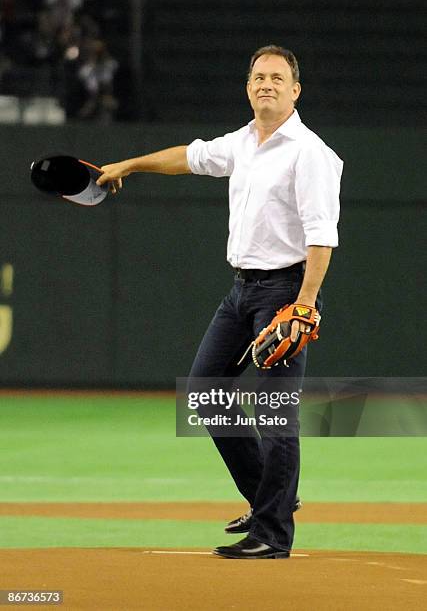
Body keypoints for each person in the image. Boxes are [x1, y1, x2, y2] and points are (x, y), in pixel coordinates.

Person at [97, 45, 343, 559]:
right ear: (248, 86)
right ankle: (270, 500)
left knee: (276, 414)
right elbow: (190, 156)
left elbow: (322, 236)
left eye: (277, 78)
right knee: (207, 393)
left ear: (295, 91)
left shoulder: (310, 153)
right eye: (258, 77)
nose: (266, 84)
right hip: (241, 291)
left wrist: (303, 305)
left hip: (284, 290)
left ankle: (273, 535)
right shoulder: (243, 143)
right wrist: (131, 164)